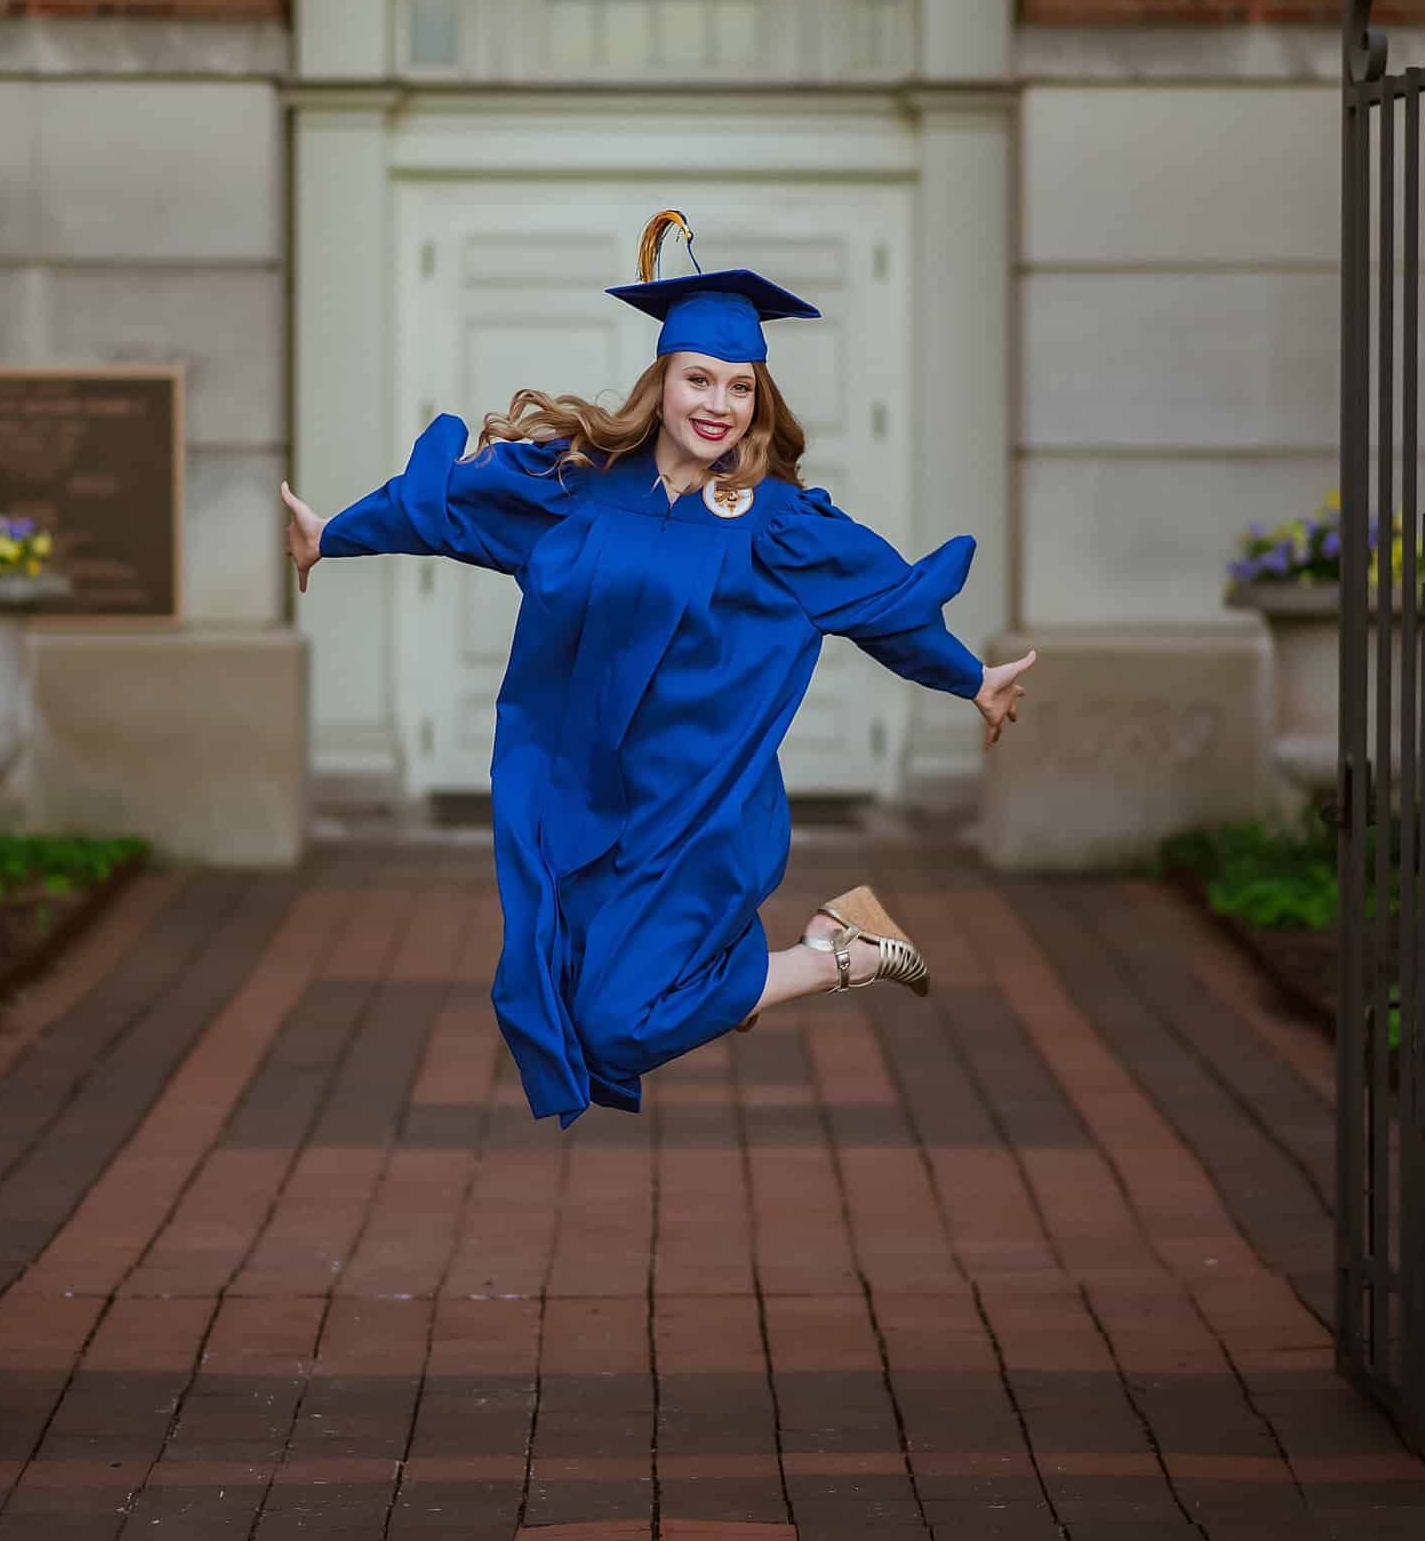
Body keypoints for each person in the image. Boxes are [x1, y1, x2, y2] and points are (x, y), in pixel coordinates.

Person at [281, 210, 1036, 1127]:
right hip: (586, 792)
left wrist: (968, 679)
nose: (718, 404)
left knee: (618, 1025)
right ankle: (762, 968)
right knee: (562, 1001)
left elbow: (876, 607)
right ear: (663, 382)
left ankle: (845, 954)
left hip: (698, 806)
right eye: (699, 380)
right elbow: (454, 512)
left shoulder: (776, 524)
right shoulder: (577, 483)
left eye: (740, 387)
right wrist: (337, 535)